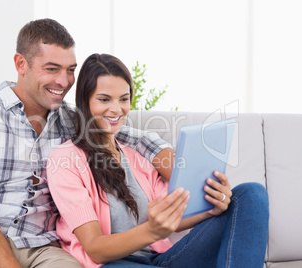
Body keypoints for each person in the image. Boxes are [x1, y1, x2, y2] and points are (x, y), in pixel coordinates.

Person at [0, 19, 176, 268]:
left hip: (42, 247)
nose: (64, 81)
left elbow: (125, 134)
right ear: (21, 64)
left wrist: (173, 164)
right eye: (52, 69)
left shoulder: (72, 119)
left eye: (70, 70)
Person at [47, 53, 270, 268]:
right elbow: (95, 248)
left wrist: (212, 209)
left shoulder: (137, 158)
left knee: (251, 193)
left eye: (124, 99)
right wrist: (152, 231)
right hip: (112, 263)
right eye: (104, 99)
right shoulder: (65, 159)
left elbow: (173, 217)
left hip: (160, 258)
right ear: (85, 102)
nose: (116, 109)